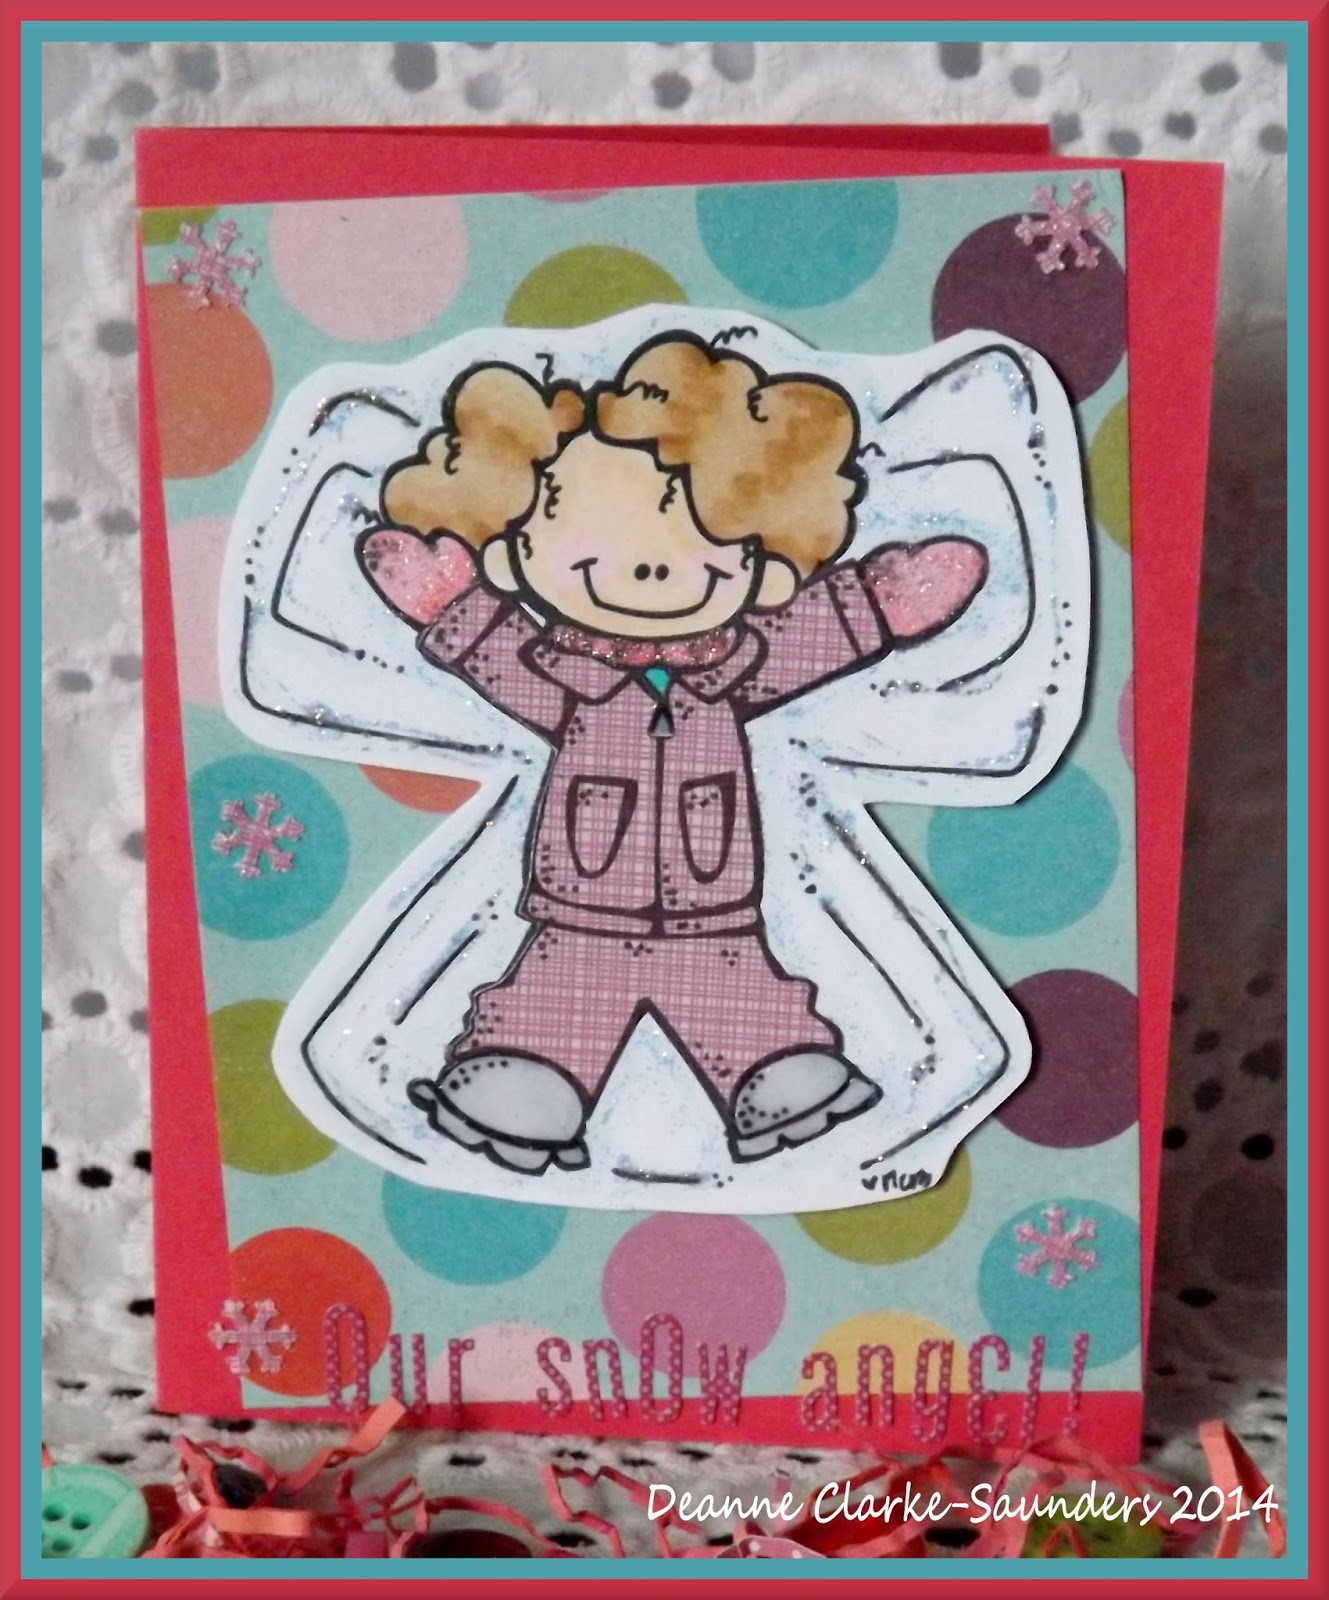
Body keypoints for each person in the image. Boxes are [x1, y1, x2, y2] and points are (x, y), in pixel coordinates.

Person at [359, 331, 988, 1175]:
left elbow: (808, 638)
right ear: (514, 550)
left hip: (713, 910)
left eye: (703, 540)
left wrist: (877, 604)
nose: (650, 570)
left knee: (745, 1000)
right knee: (550, 1002)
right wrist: (451, 606)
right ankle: (523, 1081)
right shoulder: (566, 679)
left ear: (764, 555)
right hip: (579, 911)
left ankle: (777, 1072)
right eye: (590, 541)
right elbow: (498, 656)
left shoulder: (738, 667)